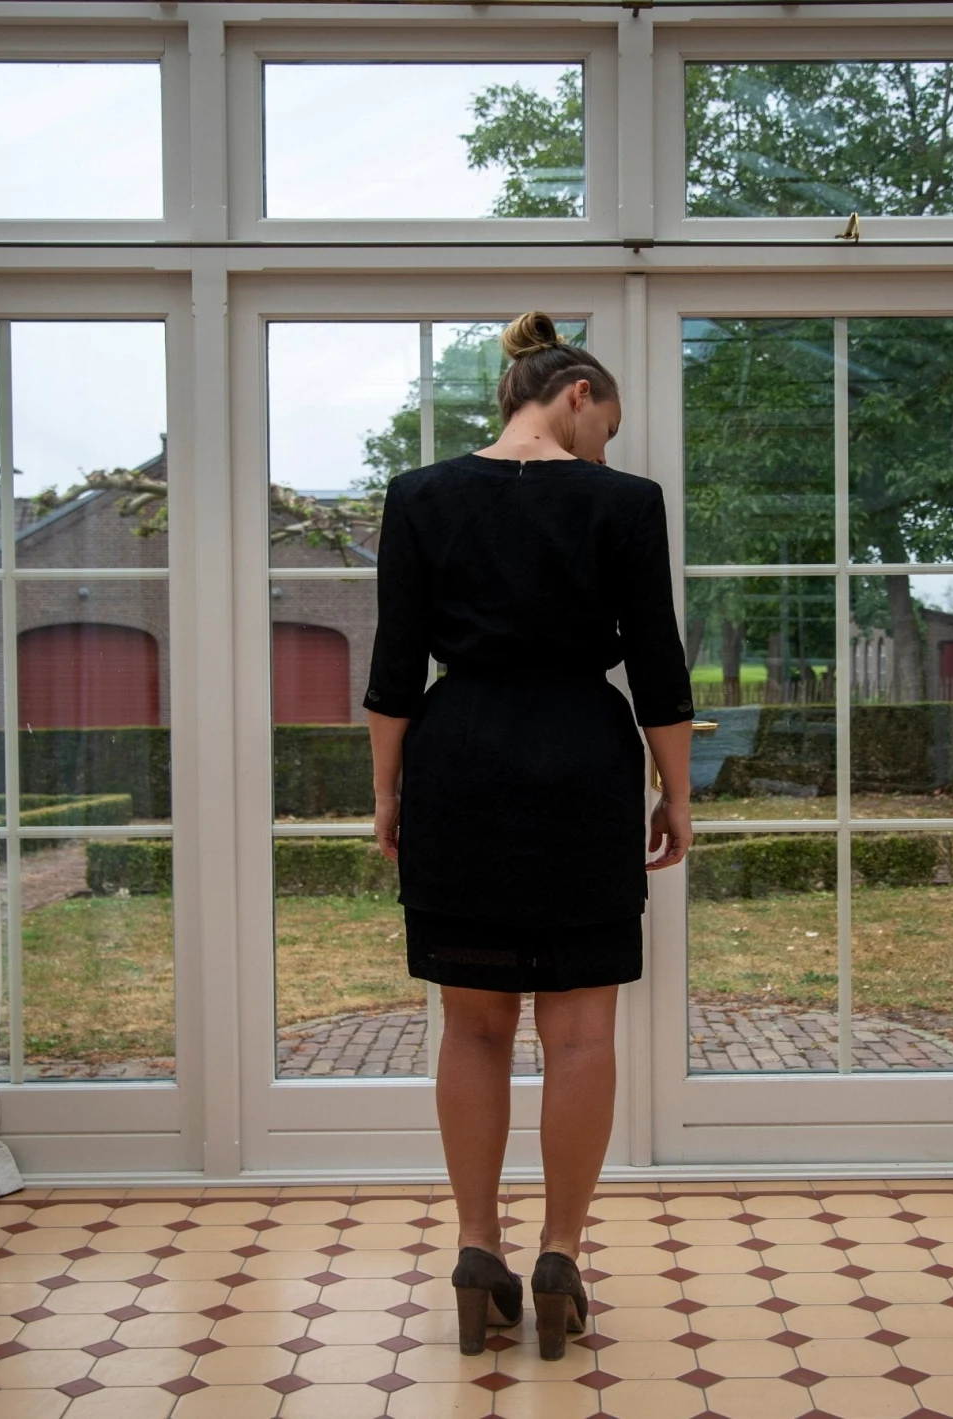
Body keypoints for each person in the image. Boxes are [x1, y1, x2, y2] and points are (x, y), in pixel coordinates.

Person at [362, 310, 694, 1360]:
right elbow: (658, 666)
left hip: (457, 760)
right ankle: (558, 1256)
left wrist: (387, 792)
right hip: (581, 763)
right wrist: (676, 793)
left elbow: (394, 668)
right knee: (580, 1033)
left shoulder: (419, 495)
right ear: (576, 395)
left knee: (471, 1027)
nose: (606, 449)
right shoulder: (624, 503)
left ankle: (476, 1250)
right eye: (607, 427)